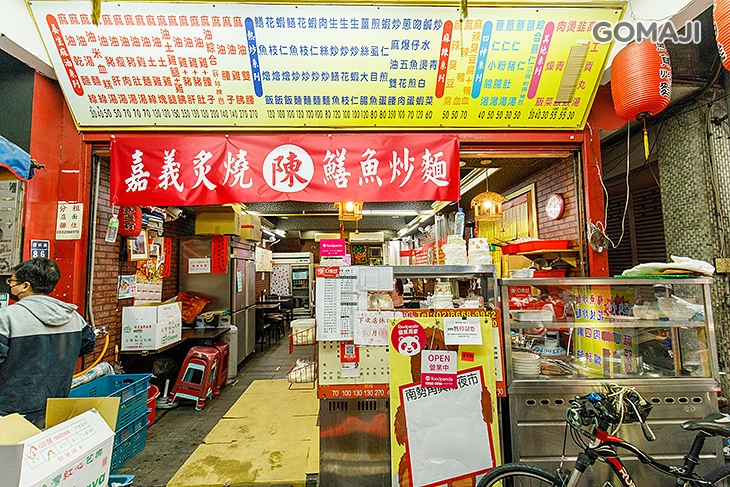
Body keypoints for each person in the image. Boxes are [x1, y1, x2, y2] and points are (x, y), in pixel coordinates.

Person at [0, 258, 96, 427]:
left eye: (12, 281)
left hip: (11, 411)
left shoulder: (7, 317)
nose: (10, 285)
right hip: (55, 406)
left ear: (25, 286)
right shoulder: (74, 317)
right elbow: (88, 344)